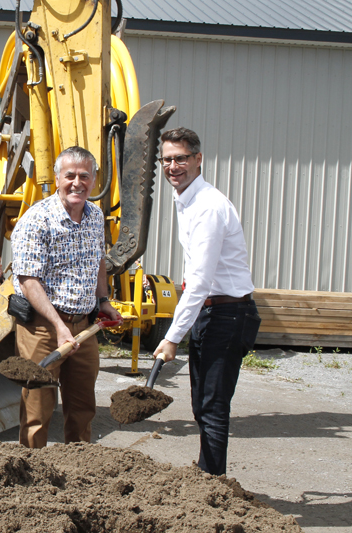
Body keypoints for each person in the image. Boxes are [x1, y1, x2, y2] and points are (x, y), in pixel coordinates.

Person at [153, 127, 261, 476]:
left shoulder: (208, 207)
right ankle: (207, 477)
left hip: (228, 314)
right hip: (212, 312)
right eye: (167, 159)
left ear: (198, 160)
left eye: (181, 158)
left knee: (212, 407)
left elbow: (199, 281)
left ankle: (213, 485)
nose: (173, 166)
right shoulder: (187, 200)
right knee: (202, 404)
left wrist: (172, 337)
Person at [10, 146, 122, 449]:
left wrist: (103, 301)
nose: (77, 182)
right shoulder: (37, 220)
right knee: (38, 407)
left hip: (84, 327)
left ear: (94, 180)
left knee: (83, 406)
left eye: (84, 176)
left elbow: (98, 260)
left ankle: (77, 470)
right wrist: (58, 326)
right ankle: (31, 470)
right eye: (69, 175)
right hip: (42, 328)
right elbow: (28, 280)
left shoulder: (95, 216)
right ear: (57, 178)